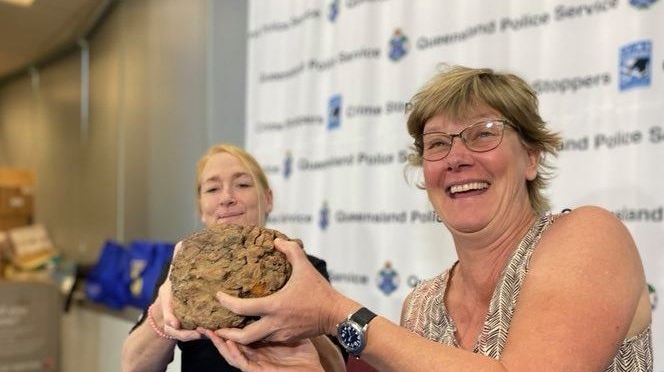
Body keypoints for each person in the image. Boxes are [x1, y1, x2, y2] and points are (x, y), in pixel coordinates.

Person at [201, 65, 653, 371]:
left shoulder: (589, 236)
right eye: (437, 144)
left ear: (531, 156)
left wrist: (336, 313)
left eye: (482, 134)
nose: (456, 157)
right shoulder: (421, 306)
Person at [121, 143, 345, 372]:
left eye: (242, 184)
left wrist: (298, 309)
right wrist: (165, 310)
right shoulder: (179, 269)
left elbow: (337, 368)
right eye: (212, 189)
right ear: (200, 208)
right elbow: (133, 367)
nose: (226, 198)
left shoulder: (304, 267)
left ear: (267, 200)